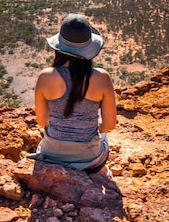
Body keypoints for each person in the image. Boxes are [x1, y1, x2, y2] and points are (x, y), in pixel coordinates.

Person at [29, 13, 117, 174]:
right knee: (103, 136)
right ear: (90, 48)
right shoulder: (102, 78)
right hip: (88, 156)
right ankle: (102, 174)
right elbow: (110, 124)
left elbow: (42, 121)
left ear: (59, 47)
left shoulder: (45, 76)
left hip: (52, 153)